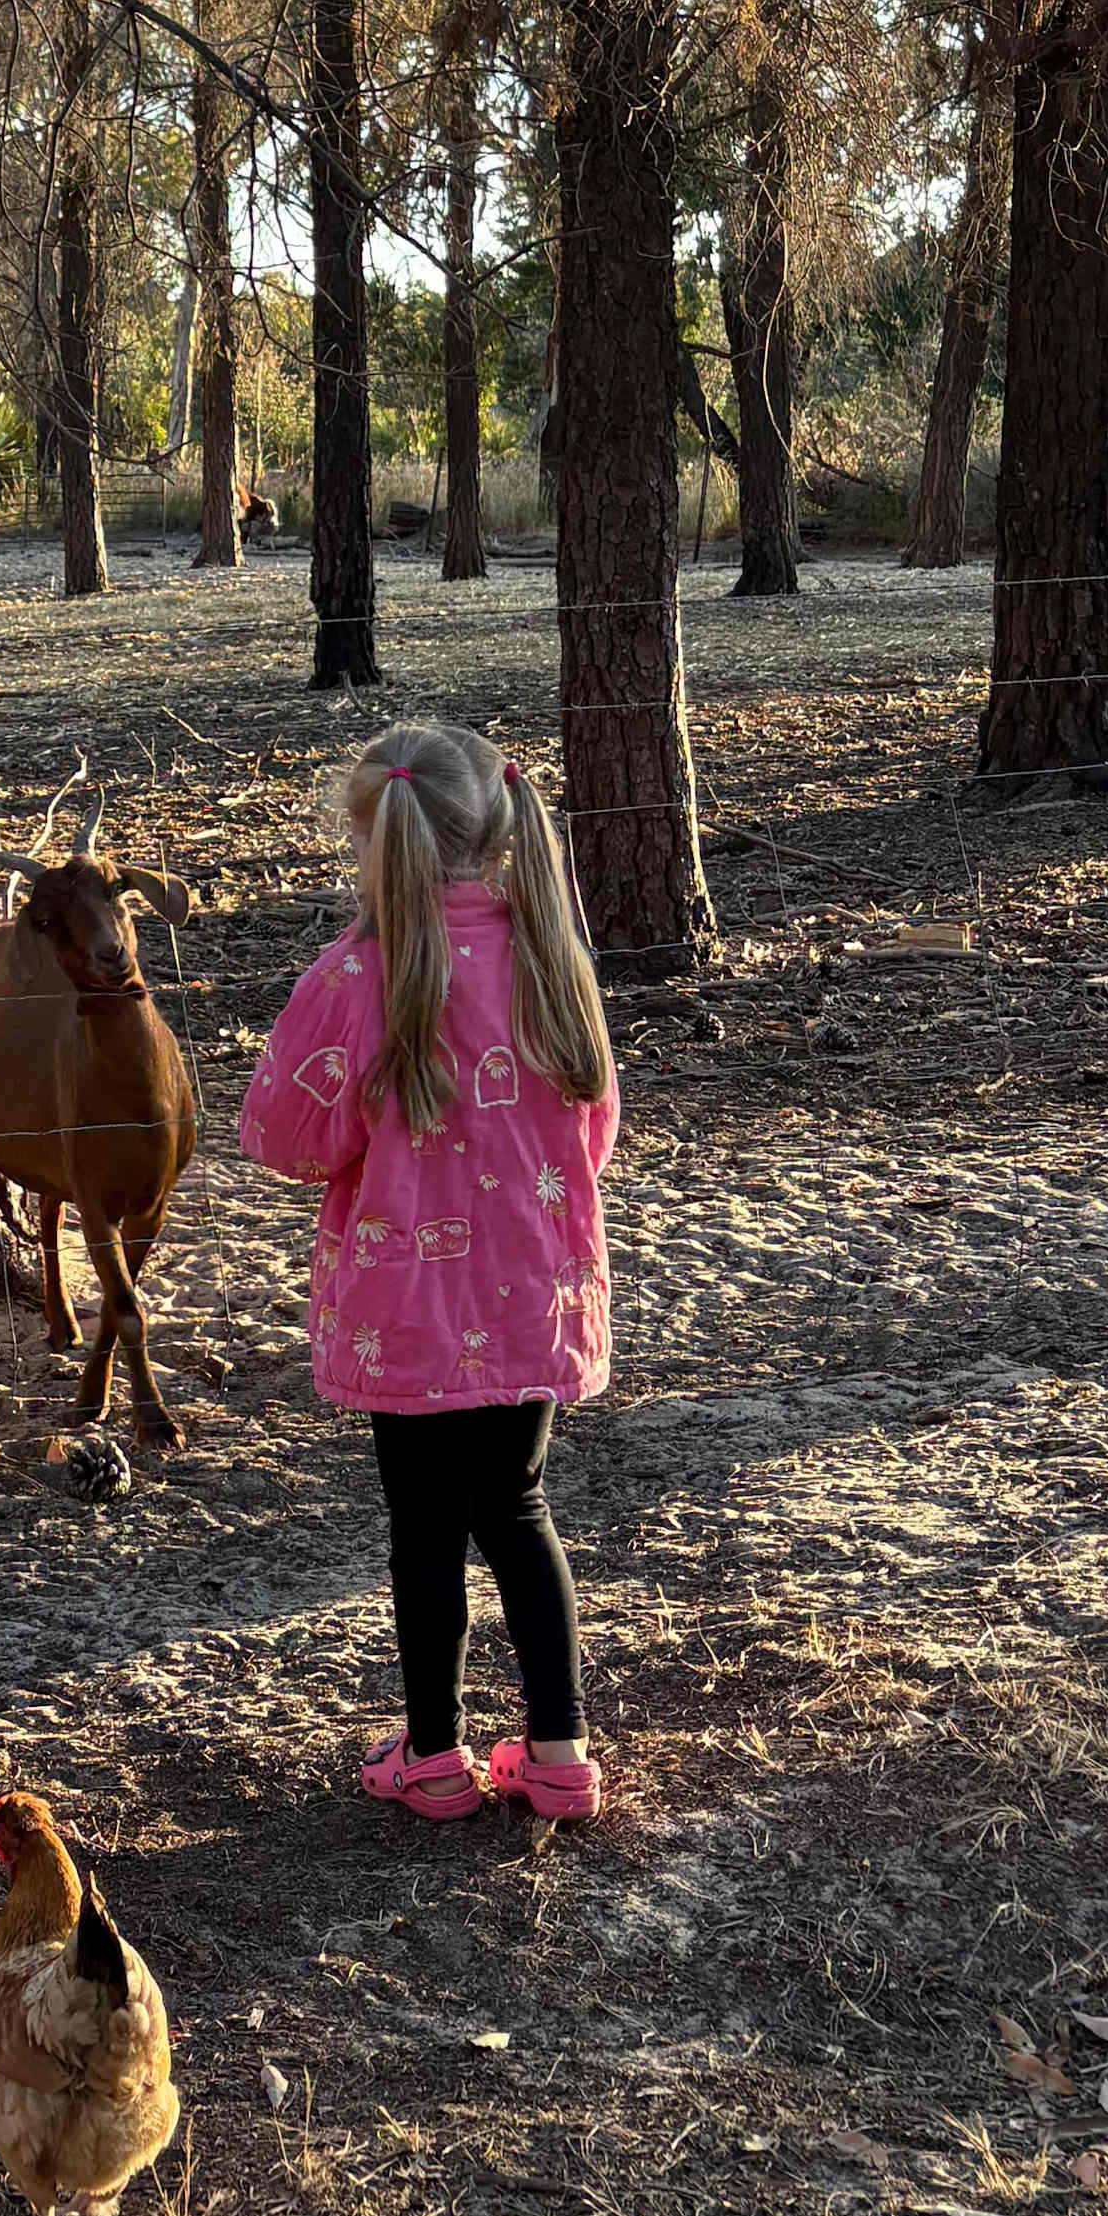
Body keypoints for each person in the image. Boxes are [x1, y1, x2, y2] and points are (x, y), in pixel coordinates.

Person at [238, 715, 619, 1823]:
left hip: (401, 1309)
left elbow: (283, 1136)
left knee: (423, 1529)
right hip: (533, 1291)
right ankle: (559, 1754)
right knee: (518, 1504)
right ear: (498, 825)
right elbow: (592, 1135)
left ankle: (436, 1756)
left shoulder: (357, 972)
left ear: (374, 838)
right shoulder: (552, 953)